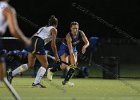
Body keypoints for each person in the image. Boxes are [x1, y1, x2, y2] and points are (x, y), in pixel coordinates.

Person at [8, 15, 60, 88]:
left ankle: (11, 73)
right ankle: (36, 83)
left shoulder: (43, 28)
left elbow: (34, 37)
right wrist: (56, 56)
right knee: (45, 64)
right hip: (38, 42)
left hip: (33, 42)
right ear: (56, 24)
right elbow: (53, 45)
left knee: (30, 65)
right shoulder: (54, 29)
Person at [0, 0, 30, 99]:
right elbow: (14, 30)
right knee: (1, 75)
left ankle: (11, 74)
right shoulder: (8, 9)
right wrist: (26, 41)